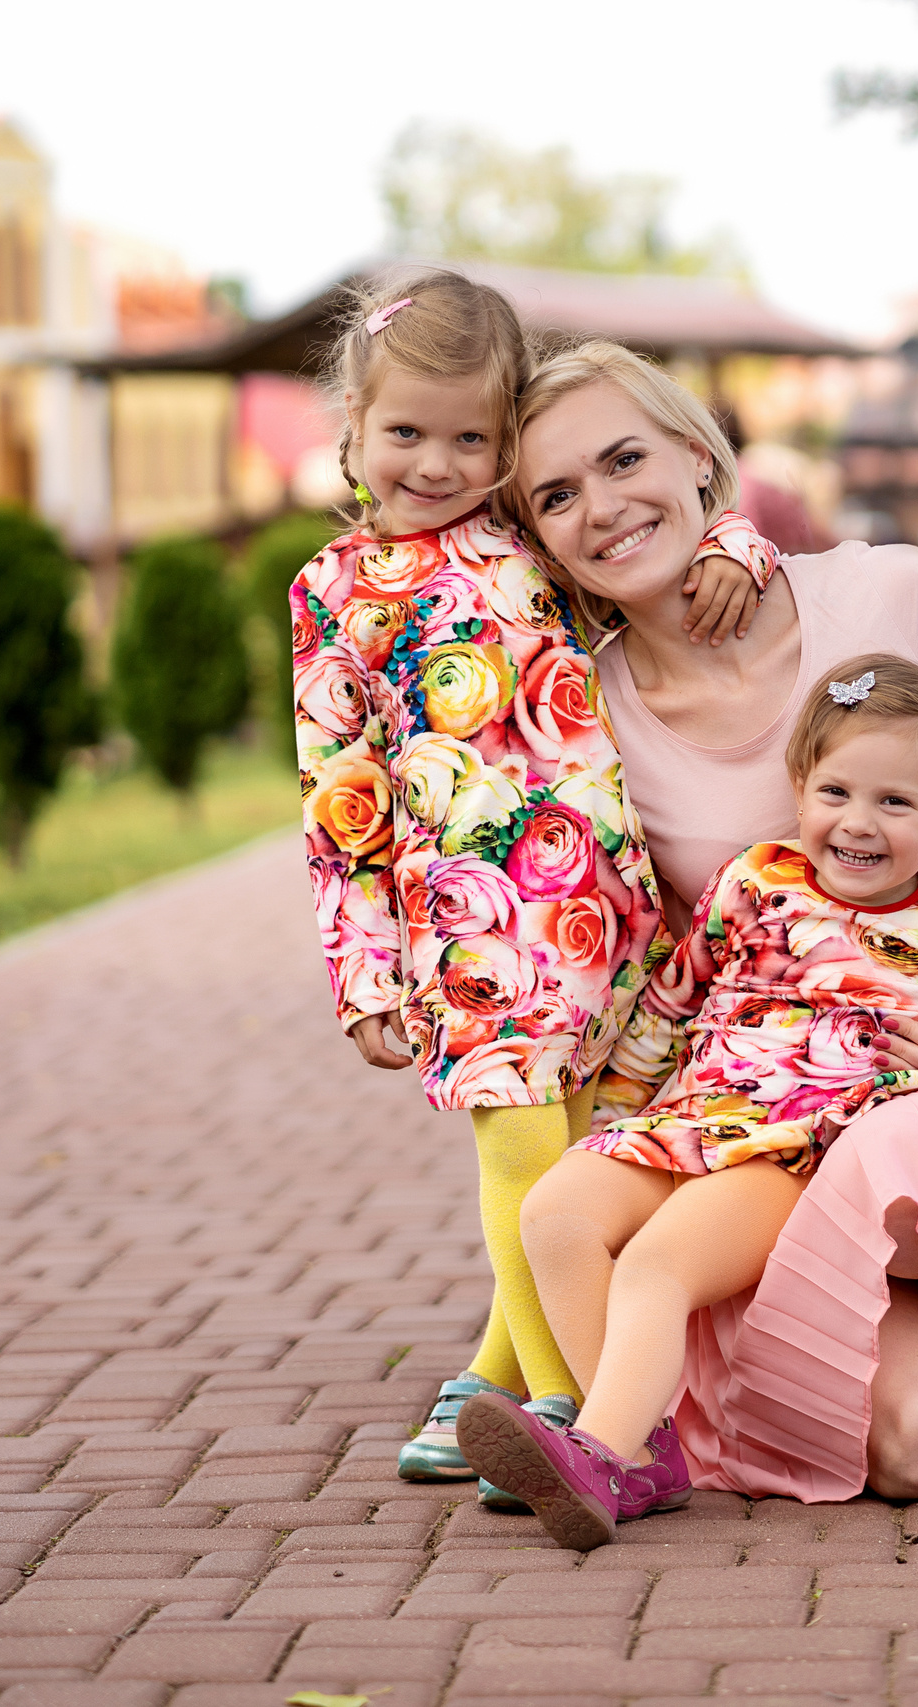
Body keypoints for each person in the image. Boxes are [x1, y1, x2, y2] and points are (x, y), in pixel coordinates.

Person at [504, 338, 918, 1505]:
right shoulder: (591, 716)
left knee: (900, 1176)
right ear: (538, 538)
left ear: (698, 458)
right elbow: (669, 969)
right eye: (555, 494)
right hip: (762, 1115)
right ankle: (630, 1442)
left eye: (622, 457)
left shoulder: (891, 596)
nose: (601, 505)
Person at [288, 269, 781, 1489]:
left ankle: (491, 1380)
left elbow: (647, 546)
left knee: (583, 1157)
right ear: (353, 423)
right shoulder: (330, 594)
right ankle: (570, 1401)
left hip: (607, 915)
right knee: (518, 1156)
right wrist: (360, 973)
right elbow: (334, 797)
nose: (439, 462)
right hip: (472, 933)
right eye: (407, 432)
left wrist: (736, 540)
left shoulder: (525, 540)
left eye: (474, 437)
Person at [458, 655, 918, 1548]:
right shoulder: (753, 881)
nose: (858, 822)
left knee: (657, 1264)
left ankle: (601, 1453)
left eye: (896, 803)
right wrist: (620, 1114)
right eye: (836, 790)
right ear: (800, 788)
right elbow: (674, 1001)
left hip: (794, 1149)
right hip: (691, 1118)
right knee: (556, 1209)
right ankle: (633, 1444)